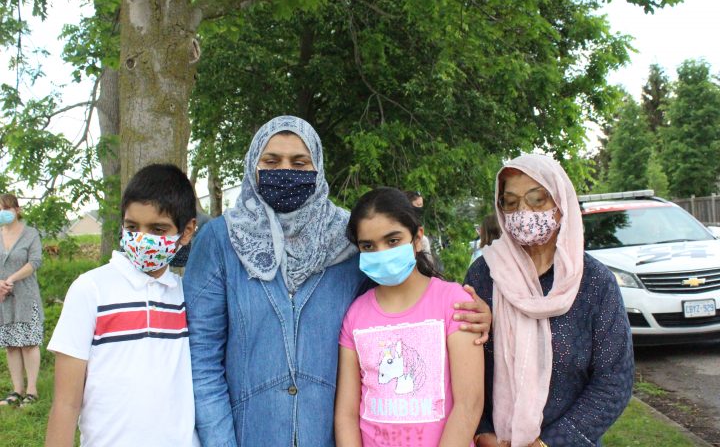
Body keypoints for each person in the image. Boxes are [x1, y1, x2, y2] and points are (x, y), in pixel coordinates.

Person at [183, 115, 491, 447]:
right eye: (271, 161)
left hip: (328, 436)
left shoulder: (348, 237)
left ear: (318, 167)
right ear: (252, 165)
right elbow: (202, 358)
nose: (286, 171)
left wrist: (477, 312)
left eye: (300, 162)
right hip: (249, 433)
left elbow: (399, 302)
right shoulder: (221, 240)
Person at [465, 154, 634, 447]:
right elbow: (462, 368)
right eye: (512, 202)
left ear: (560, 204)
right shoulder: (484, 275)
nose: (523, 211)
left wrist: (549, 443)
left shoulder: (594, 282)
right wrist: (482, 433)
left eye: (537, 199)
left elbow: (613, 380)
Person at [45, 164, 199, 446]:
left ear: (187, 231)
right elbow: (66, 404)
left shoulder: (187, 295)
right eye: (132, 227)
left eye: (157, 228)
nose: (142, 238)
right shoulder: (90, 290)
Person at [335, 187, 483, 446]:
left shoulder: (453, 302)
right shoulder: (355, 315)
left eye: (392, 241)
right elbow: (346, 414)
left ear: (417, 238)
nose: (381, 253)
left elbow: (469, 404)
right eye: (368, 246)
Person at [0, 193, 43, 407]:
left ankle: (32, 391)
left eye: (6, 209)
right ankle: (16, 391)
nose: (3, 213)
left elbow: (35, 261)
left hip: (26, 295)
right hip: (4, 298)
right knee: (11, 345)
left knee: (28, 343)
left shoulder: (30, 233)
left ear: (16, 210)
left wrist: (11, 278)